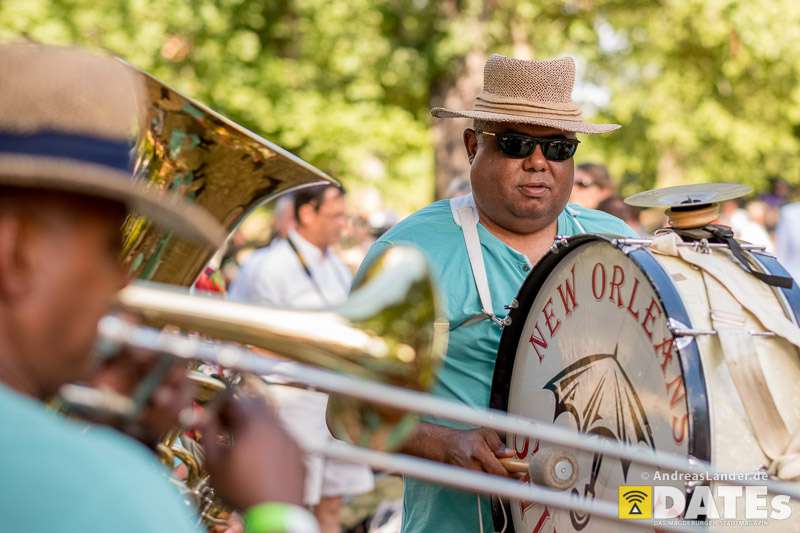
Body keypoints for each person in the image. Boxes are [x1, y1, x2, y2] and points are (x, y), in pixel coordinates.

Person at [0, 43, 313, 533]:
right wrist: (279, 513)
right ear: (15, 252)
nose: (124, 278)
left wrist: (128, 447)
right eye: (108, 247)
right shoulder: (100, 493)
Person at [347, 54, 637, 533]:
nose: (538, 163)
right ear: (470, 145)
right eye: (516, 143)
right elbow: (349, 413)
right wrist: (445, 444)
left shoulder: (614, 241)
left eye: (559, 149)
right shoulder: (408, 253)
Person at [229, 184, 374, 533]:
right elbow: (248, 339)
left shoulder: (336, 264)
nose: (343, 225)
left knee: (332, 503)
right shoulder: (270, 266)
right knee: (293, 507)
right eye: (336, 216)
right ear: (307, 213)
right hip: (290, 400)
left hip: (333, 401)